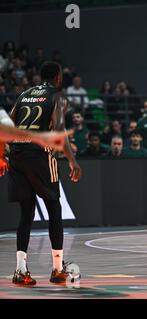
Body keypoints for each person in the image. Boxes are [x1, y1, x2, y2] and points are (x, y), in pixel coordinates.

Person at [5, 61, 82, 286]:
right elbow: (59, 128)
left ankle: (21, 270)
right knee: (54, 209)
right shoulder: (58, 96)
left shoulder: (24, 95)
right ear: (58, 78)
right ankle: (58, 269)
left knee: (26, 213)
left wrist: (3, 155)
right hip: (39, 154)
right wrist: (72, 160)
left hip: (17, 154)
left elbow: (6, 123)